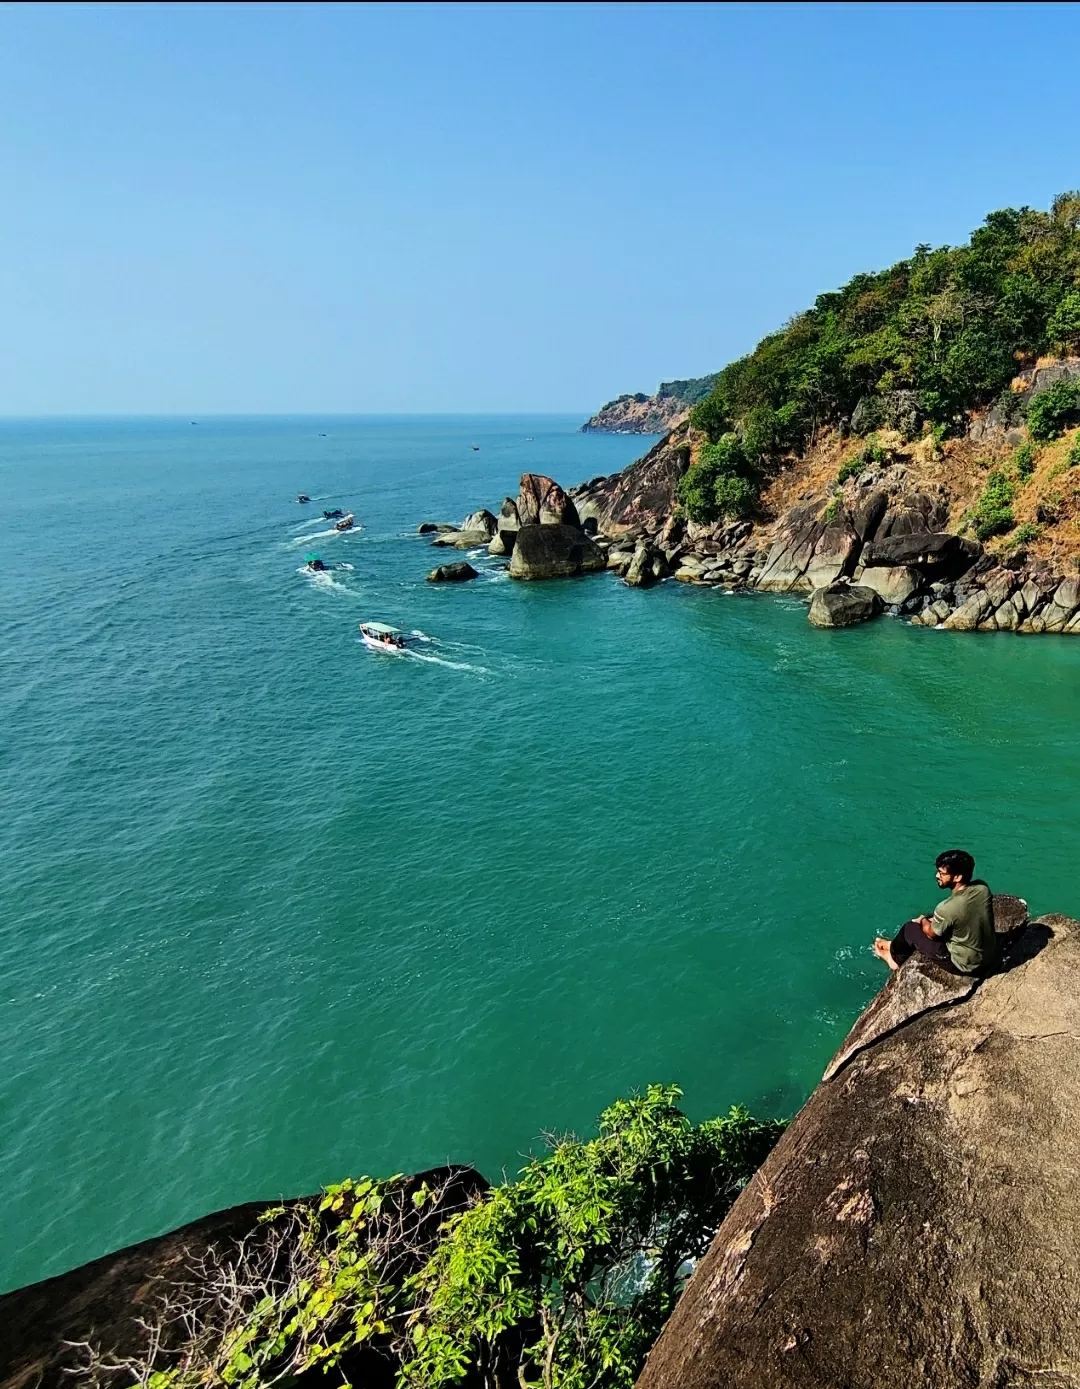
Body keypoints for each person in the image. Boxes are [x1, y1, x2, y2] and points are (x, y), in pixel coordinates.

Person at [873, 850, 997, 976]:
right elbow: (963, 914)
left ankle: (893, 960)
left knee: (910, 929)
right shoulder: (983, 888)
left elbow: (931, 934)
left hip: (967, 964)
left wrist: (922, 920)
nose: (937, 876)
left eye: (942, 873)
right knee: (932, 918)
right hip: (988, 954)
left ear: (957, 877)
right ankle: (894, 945)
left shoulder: (946, 908)